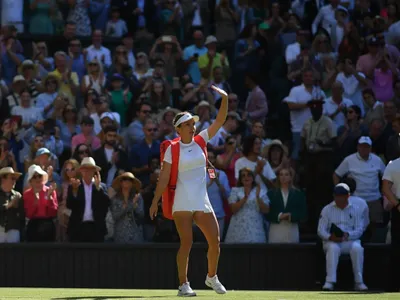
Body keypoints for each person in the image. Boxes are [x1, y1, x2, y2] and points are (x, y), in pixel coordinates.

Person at [149, 85, 229, 297]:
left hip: (201, 199)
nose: (192, 127)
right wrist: (155, 201)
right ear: (178, 129)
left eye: (192, 123)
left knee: (215, 241)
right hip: (182, 201)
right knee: (187, 242)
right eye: (187, 125)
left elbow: (220, 121)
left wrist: (225, 98)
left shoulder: (202, 140)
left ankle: (211, 277)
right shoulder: (172, 149)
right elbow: (164, 177)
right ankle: (183, 284)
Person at [317, 183, 368, 291]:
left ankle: (359, 282)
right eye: (337, 196)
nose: (339, 198)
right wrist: (330, 237)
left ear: (348, 196)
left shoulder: (356, 209)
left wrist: (348, 235)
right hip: (332, 241)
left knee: (357, 248)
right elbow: (321, 230)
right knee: (333, 248)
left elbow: (359, 229)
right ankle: (329, 282)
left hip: (350, 240)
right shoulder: (327, 209)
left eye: (341, 196)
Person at [66, 157, 110, 242]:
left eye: (90, 169)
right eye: (85, 169)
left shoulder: (101, 186)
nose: (87, 171)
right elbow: (69, 205)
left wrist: (98, 189)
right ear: (81, 170)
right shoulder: (75, 185)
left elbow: (106, 205)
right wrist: (74, 191)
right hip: (78, 229)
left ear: (94, 171)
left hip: (96, 228)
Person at [382, 157, 400, 292]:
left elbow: (386, 188)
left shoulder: (393, 164)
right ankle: (394, 284)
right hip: (398, 208)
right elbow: (385, 188)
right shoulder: (393, 165)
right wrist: (397, 204)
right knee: (397, 248)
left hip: (397, 207)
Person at [0, 167, 24, 243]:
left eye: (15, 179)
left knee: (14, 254)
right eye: (12, 178)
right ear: (3, 179)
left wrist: (17, 207)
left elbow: (22, 215)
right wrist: (8, 205)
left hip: (13, 230)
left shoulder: (18, 195)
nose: (14, 181)